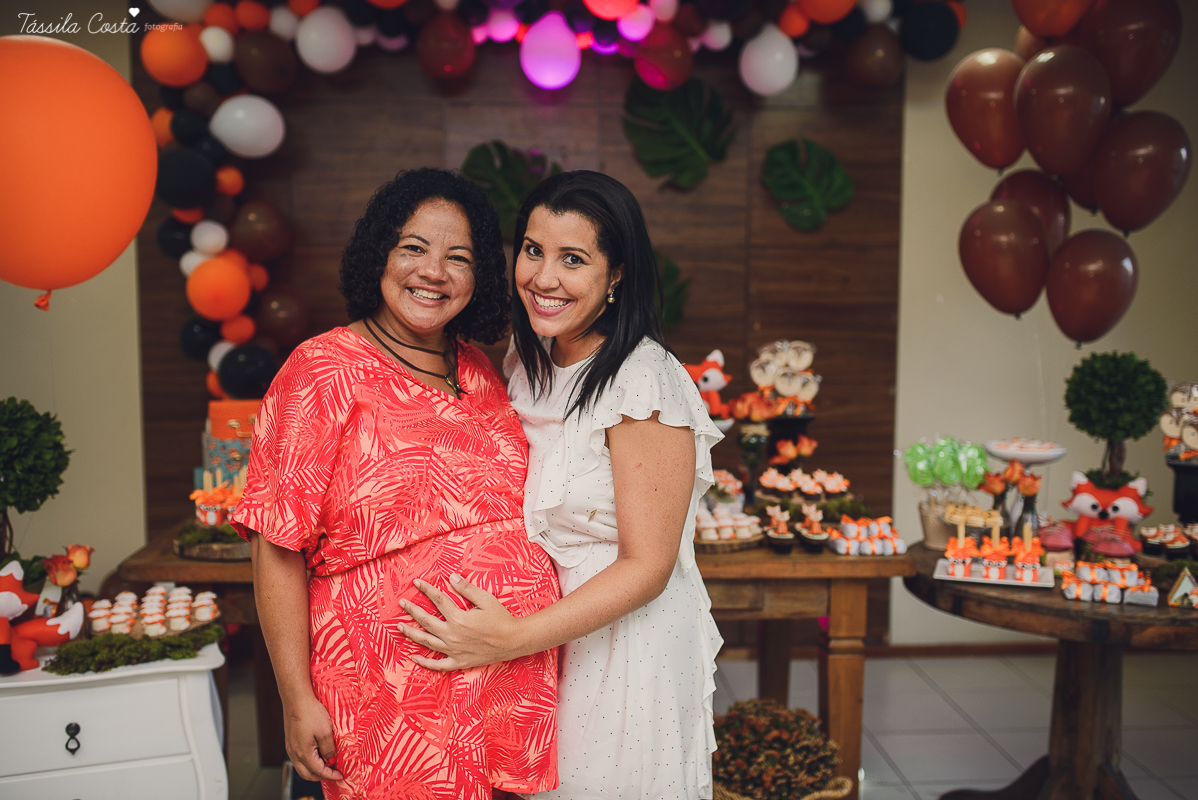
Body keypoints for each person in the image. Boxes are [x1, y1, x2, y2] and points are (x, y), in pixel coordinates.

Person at [230, 168, 561, 800]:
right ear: (378, 253)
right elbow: (275, 547)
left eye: (457, 258)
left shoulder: (480, 367)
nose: (433, 271)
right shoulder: (319, 371)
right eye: (413, 248)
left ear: (479, 278)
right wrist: (295, 697)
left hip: (503, 686)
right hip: (388, 693)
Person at [399, 170, 725, 800]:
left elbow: (648, 566)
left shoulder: (643, 381)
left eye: (572, 259)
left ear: (618, 273)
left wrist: (514, 636)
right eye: (532, 250)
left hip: (622, 642)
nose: (543, 278)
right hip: (542, 637)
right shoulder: (528, 363)